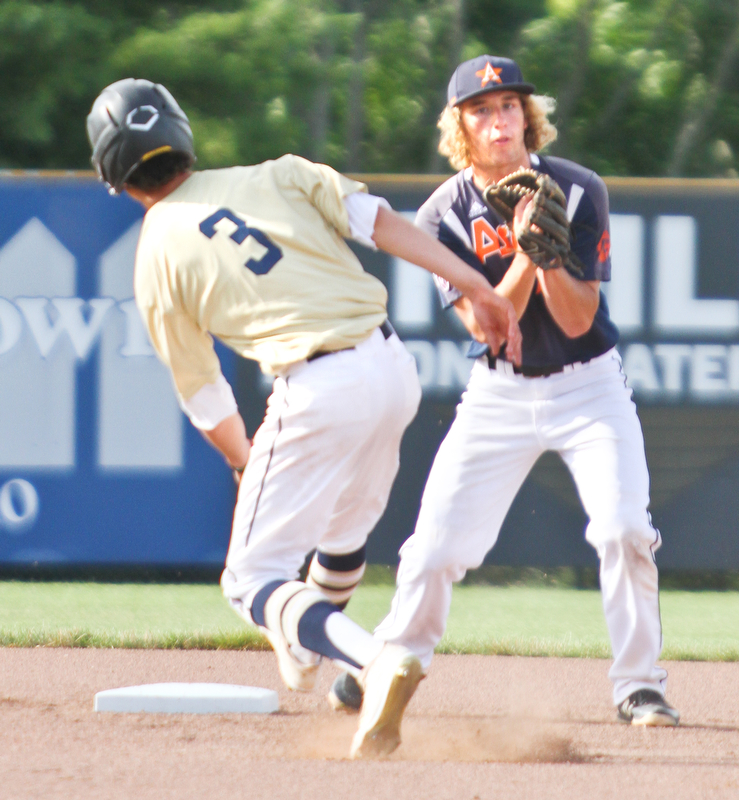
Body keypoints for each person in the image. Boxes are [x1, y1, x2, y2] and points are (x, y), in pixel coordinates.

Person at [85, 77, 521, 758]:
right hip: (388, 365)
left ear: (113, 174)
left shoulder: (154, 256)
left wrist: (241, 458)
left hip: (316, 384)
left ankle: (372, 660)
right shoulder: (278, 174)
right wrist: (474, 283)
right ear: (180, 136)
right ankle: (316, 656)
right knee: (342, 530)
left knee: (250, 580)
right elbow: (377, 222)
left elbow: (203, 394)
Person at [329, 55, 679, 727]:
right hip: (498, 395)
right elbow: (490, 330)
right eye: (481, 111)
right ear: (459, 127)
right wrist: (524, 251)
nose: (499, 122)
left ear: (529, 117)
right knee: (433, 548)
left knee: (624, 529)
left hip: (590, 388)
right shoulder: (440, 215)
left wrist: (546, 251)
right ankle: (386, 663)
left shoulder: (577, 190)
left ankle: (638, 685)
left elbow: (576, 318)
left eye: (510, 107)